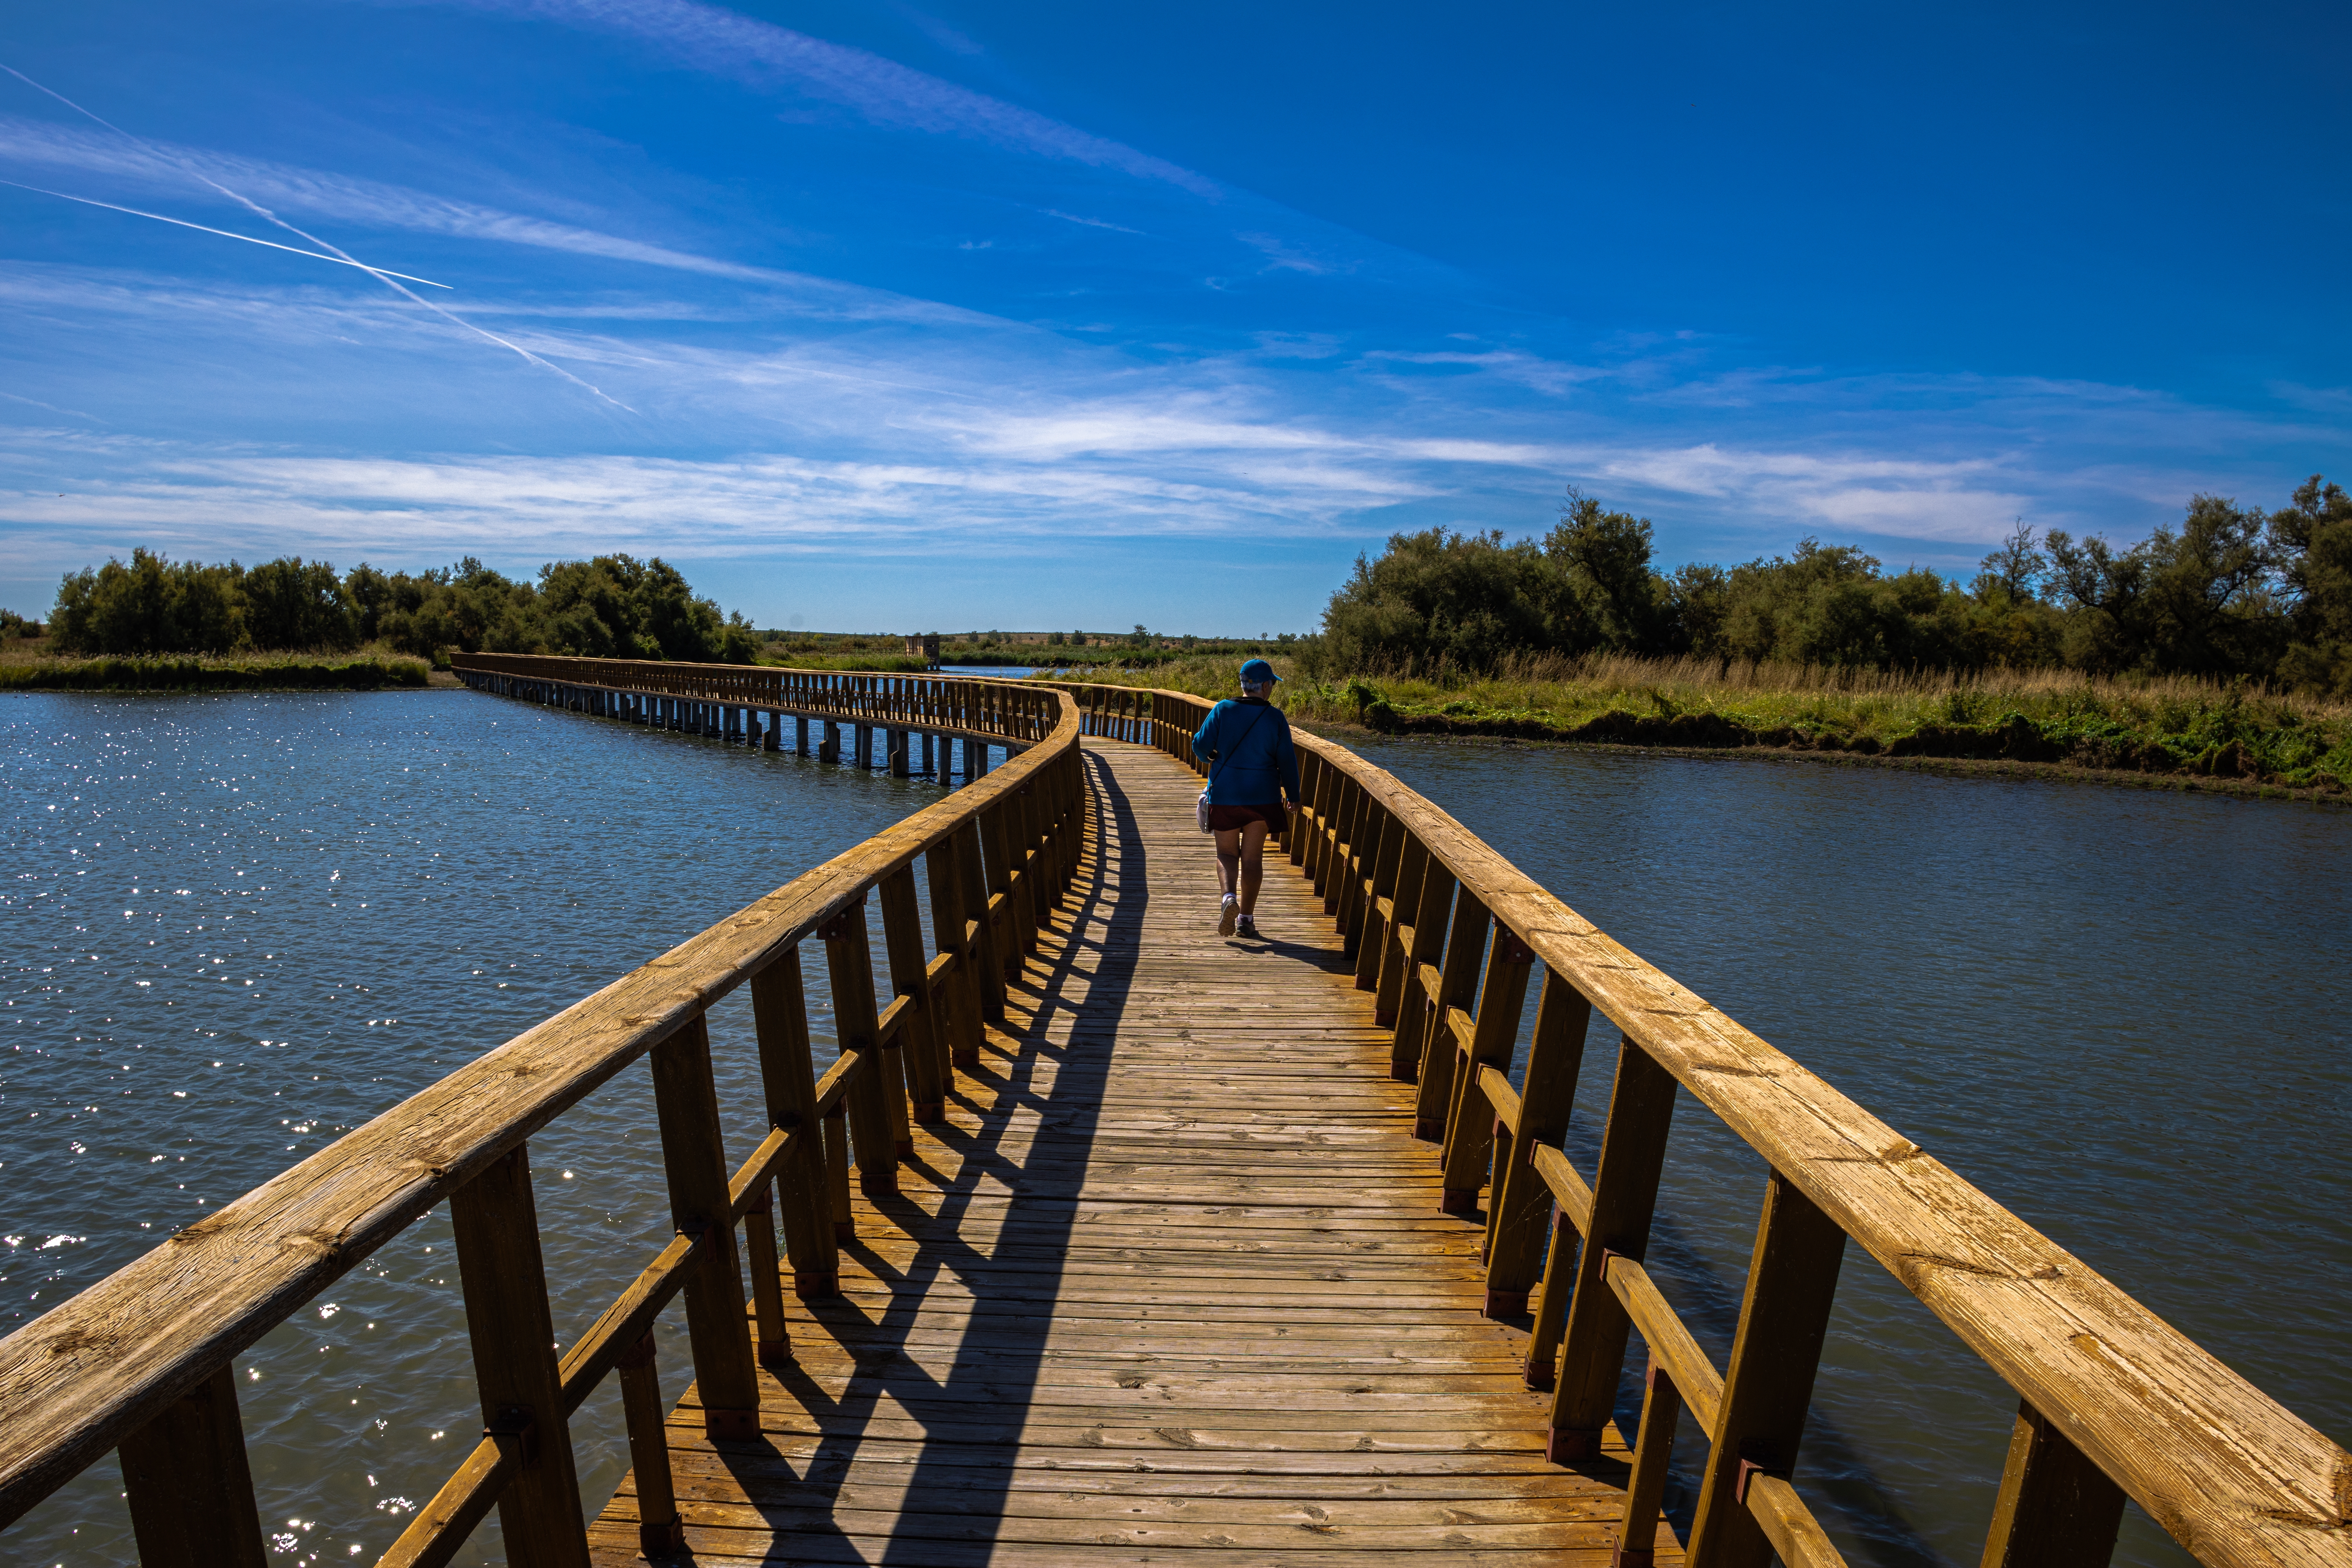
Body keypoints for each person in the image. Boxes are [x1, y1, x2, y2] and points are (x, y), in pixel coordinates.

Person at [1193, 657, 1301, 939]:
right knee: (1252, 859)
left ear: (1244, 685)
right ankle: (1246, 919)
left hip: (1226, 794)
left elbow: (1200, 747)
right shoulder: (1276, 718)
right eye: (1272, 685)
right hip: (1262, 798)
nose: (1272, 690)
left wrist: (1212, 756)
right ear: (1264, 686)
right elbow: (1287, 761)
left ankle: (1228, 897)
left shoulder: (1222, 710)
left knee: (1227, 853)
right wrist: (1294, 795)